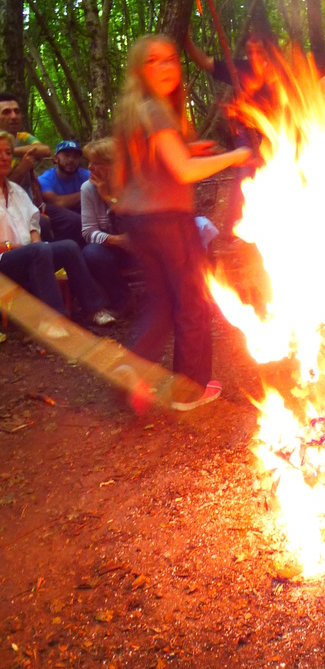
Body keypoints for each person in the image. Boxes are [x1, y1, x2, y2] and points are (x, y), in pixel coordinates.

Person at [113, 35, 252, 410]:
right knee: (191, 302)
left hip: (140, 220)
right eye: (153, 61)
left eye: (171, 59)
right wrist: (236, 155)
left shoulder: (136, 109)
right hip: (168, 221)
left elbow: (159, 156)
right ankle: (190, 389)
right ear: (139, 69)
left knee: (161, 304)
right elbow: (184, 171)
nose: (165, 67)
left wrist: (191, 146)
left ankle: (131, 368)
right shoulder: (156, 109)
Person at [0, 130, 115, 338]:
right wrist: (30, 248)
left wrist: (36, 243)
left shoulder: (16, 191)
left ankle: (94, 308)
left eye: (8, 152)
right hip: (4, 260)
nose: (5, 157)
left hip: (30, 255)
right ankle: (52, 320)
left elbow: (33, 223)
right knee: (39, 251)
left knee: (68, 247)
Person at [81, 138, 136, 312]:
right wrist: (116, 240)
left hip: (141, 245)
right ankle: (123, 300)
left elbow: (140, 223)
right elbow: (88, 231)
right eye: (89, 162)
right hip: (113, 248)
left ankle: (162, 299)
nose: (89, 167)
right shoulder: (88, 189)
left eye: (96, 163)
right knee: (91, 252)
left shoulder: (134, 185)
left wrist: (108, 198)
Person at [37, 140, 90, 244]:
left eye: (75, 157)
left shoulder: (86, 175)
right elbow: (58, 202)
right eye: (66, 155)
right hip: (59, 222)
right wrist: (86, 191)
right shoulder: (45, 179)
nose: (71, 160)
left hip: (85, 220)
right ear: (56, 158)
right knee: (74, 220)